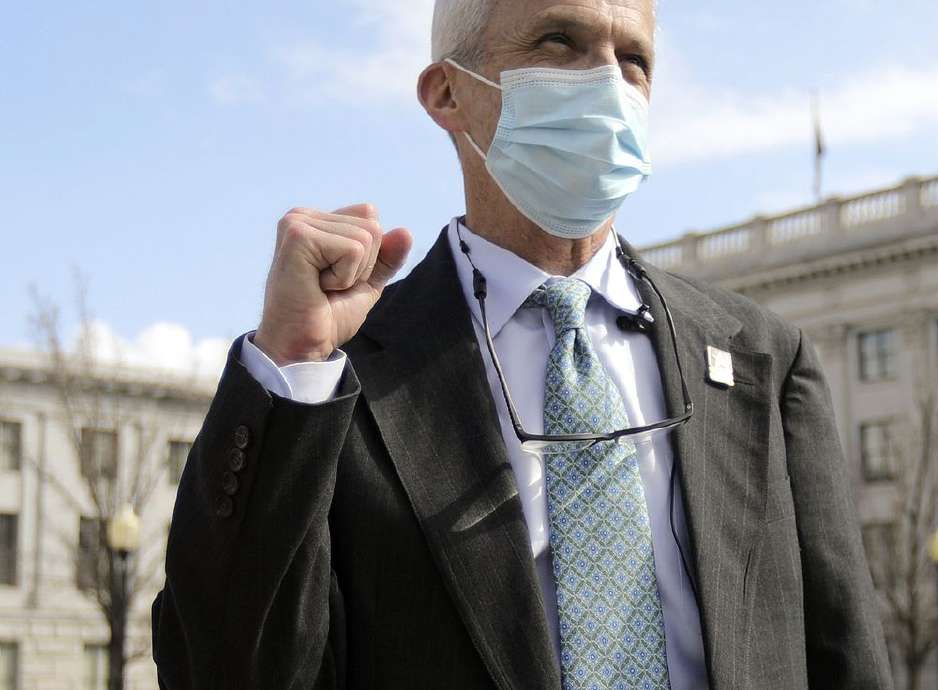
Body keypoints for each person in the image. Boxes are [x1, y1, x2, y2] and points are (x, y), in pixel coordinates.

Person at [150, 1, 891, 688]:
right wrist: (292, 365)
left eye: (633, 59)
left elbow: (845, 654)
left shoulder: (762, 358)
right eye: (559, 41)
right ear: (448, 93)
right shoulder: (341, 373)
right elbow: (224, 666)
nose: (607, 81)